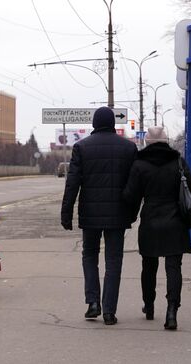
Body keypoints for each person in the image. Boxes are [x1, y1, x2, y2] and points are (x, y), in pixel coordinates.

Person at [60, 106, 138, 325]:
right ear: (113, 123)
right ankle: (110, 312)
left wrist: (67, 214)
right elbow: (135, 186)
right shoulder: (128, 148)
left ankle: (93, 302)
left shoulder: (81, 147)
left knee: (90, 255)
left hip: (90, 214)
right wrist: (132, 214)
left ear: (94, 124)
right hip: (118, 214)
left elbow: (72, 183)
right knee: (114, 261)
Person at [122, 126, 191, 330]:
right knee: (173, 268)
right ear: (166, 141)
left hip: (150, 221)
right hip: (175, 222)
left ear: (147, 142)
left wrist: (129, 218)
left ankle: (149, 305)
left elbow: (130, 196)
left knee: (148, 266)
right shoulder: (178, 163)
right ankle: (171, 312)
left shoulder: (139, 165)